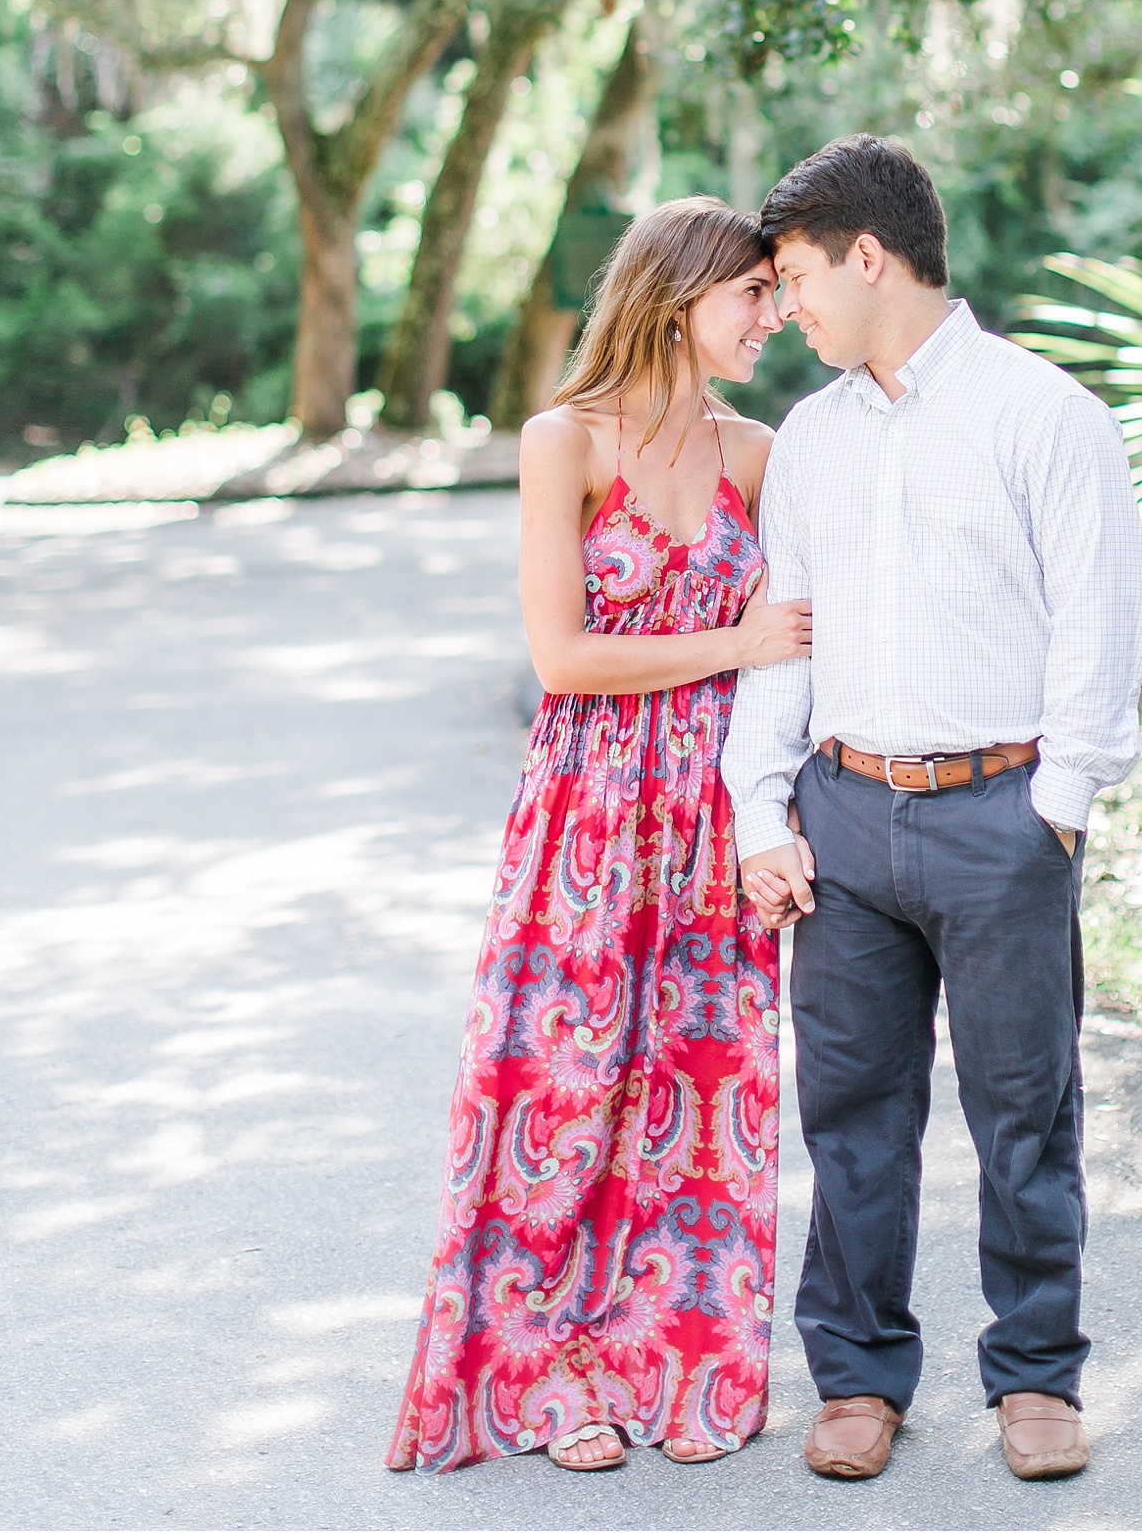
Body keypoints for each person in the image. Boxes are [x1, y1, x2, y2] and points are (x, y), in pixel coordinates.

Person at [722, 135, 1142, 1487]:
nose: (783, 306)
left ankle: (1036, 1373)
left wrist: (1061, 805)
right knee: (853, 1111)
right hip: (845, 811)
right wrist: (760, 807)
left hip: (1000, 813)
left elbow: (1102, 616)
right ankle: (857, 1375)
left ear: (870, 257)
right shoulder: (810, 438)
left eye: (792, 276)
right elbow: (780, 634)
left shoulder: (1042, 414)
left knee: (1025, 1110)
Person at [387, 198, 812, 1478]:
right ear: (681, 295)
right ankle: (555, 1373)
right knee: (564, 1091)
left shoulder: (760, 452)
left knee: (696, 1087)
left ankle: (676, 1359)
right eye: (754, 294)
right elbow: (562, 658)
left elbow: (800, 651)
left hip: (709, 810)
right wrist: (731, 643)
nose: (774, 315)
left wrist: (773, 811)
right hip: (587, 809)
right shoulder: (562, 442)